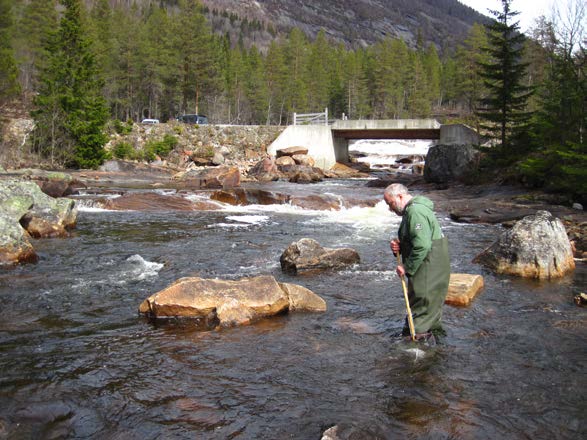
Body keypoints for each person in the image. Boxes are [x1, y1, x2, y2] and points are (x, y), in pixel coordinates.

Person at [383, 183, 450, 341]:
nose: (390, 208)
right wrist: (399, 245)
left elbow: (422, 245)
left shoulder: (415, 211)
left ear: (400, 197)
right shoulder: (413, 210)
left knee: (422, 306)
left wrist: (406, 267)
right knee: (429, 311)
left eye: (390, 203)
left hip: (428, 267)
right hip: (430, 266)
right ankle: (437, 347)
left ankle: (415, 350)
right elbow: (417, 239)